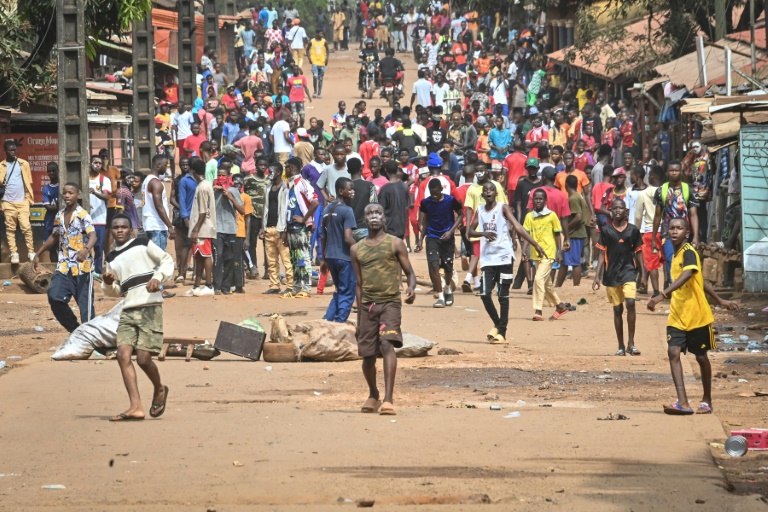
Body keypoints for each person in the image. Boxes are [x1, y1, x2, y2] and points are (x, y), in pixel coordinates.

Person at [647, 217, 738, 415]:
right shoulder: (676, 254)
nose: (674, 231)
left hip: (697, 315)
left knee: (701, 357)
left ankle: (707, 399)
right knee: (673, 353)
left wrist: (662, 294)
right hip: (678, 314)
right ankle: (683, 402)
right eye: (671, 228)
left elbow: (689, 275)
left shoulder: (689, 252)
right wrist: (720, 300)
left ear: (686, 233)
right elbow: (701, 280)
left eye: (679, 228)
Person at [101, 214, 173, 421]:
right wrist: (107, 282)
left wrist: (157, 278)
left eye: (124, 226)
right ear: (111, 231)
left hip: (149, 307)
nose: (120, 230)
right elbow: (115, 291)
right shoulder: (111, 258)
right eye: (116, 227)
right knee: (122, 355)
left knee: (143, 359)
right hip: (128, 309)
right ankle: (136, 406)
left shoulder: (143, 243)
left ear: (131, 229)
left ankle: (159, 388)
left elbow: (167, 260)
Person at [351, 203, 417, 416]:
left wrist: (411, 288)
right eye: (369, 213)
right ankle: (374, 394)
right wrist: (360, 319)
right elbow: (359, 285)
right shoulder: (357, 249)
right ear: (364, 219)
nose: (374, 216)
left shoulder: (396, 243)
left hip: (390, 303)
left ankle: (388, 399)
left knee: (387, 344)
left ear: (384, 218)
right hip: (368, 306)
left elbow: (410, 273)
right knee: (368, 356)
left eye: (378, 213)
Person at [468, 181, 544, 344]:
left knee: (503, 295)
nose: (488, 192)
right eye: (486, 190)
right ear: (483, 195)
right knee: (484, 293)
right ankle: (498, 324)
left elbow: (517, 226)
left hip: (504, 257)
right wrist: (483, 233)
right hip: (488, 259)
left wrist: (534, 244)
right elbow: (469, 232)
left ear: (496, 194)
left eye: (491, 190)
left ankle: (502, 332)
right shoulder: (480, 210)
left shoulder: (502, 207)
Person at [32, 182, 96, 332]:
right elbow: (54, 237)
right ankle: (75, 330)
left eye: (71, 193)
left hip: (82, 268)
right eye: (65, 192)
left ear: (77, 195)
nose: (67, 195)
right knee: (54, 296)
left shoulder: (83, 215)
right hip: (64, 266)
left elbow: (93, 235)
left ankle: (93, 340)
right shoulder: (59, 215)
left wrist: (86, 249)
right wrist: (38, 253)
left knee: (85, 308)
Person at [592, 198, 645, 356]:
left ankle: (631, 343)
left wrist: (643, 274)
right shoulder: (606, 230)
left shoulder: (633, 231)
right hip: (612, 274)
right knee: (617, 309)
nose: (617, 211)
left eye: (620, 208)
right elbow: (602, 254)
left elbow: (639, 252)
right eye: (614, 208)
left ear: (626, 211)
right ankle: (621, 345)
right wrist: (597, 276)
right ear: (611, 211)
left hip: (629, 272)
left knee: (630, 302)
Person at [523, 189, 570, 321]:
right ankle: (560, 306)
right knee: (546, 283)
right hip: (535, 253)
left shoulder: (552, 215)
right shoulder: (529, 217)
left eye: (540, 199)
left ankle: (538, 310)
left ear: (545, 201)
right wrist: (523, 251)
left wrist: (559, 252)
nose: (538, 201)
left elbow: (557, 234)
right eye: (536, 199)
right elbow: (526, 234)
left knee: (538, 279)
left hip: (549, 253)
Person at [416, 178, 463, 308]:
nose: (434, 196)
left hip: (447, 237)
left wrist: (451, 231)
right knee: (434, 265)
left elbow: (460, 214)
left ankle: (448, 287)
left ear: (441, 189)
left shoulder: (450, 200)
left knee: (447, 266)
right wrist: (421, 239)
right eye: (432, 193)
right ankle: (440, 296)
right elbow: (425, 220)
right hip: (432, 236)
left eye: (436, 193)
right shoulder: (426, 203)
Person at [651, 160, 699, 284]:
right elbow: (657, 215)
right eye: (671, 170)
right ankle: (673, 287)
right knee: (670, 259)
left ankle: (680, 287)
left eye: (676, 170)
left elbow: (693, 215)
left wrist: (696, 237)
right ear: (667, 173)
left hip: (685, 234)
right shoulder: (661, 191)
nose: (674, 173)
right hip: (667, 233)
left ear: (681, 172)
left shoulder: (689, 190)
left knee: (684, 261)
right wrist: (653, 238)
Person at [320, 177, 357, 322]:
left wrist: (324, 259)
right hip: (344, 257)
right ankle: (339, 323)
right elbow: (348, 238)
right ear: (341, 191)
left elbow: (323, 236)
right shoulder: (347, 211)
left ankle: (327, 321)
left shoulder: (327, 209)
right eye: (350, 189)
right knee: (347, 292)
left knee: (339, 291)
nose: (353, 192)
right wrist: (360, 250)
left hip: (330, 256)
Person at [284, 157, 319, 297]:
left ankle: (306, 288)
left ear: (291, 168)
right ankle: (297, 287)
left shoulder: (303, 183)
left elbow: (315, 202)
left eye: (286, 167)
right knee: (294, 258)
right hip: (291, 226)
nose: (285, 170)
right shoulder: (289, 185)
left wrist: (304, 219)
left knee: (303, 257)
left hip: (301, 228)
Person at [185, 157, 216, 297]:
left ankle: (209, 285)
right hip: (200, 228)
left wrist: (196, 230)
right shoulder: (203, 185)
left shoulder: (203, 187)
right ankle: (197, 285)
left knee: (206, 255)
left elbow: (203, 212)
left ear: (193, 171)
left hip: (203, 228)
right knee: (198, 257)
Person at [261, 162, 294, 294]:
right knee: (271, 260)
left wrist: (286, 229)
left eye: (271, 171)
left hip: (281, 228)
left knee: (286, 259)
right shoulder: (267, 188)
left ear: (279, 173)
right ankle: (274, 285)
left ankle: (290, 285)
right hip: (269, 227)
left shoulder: (286, 188)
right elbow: (265, 208)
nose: (269, 174)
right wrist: (262, 227)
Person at [212, 164, 244, 295]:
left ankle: (226, 287)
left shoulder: (234, 191)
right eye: (219, 175)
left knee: (229, 258)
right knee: (218, 257)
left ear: (228, 176)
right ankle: (217, 286)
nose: (220, 177)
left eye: (223, 175)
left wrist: (230, 197)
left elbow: (242, 210)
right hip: (217, 228)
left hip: (230, 229)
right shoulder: (213, 191)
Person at [556, 175, 590, 287]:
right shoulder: (579, 196)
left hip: (575, 234)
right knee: (565, 262)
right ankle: (558, 286)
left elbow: (578, 217)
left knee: (574, 262)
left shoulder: (573, 199)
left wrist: (566, 228)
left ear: (565, 185)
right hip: (576, 233)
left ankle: (576, 286)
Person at [634, 166, 664, 296]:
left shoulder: (644, 194)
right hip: (666, 231)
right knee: (667, 260)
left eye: (650, 175)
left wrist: (636, 230)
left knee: (652, 262)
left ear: (653, 177)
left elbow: (638, 216)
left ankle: (656, 291)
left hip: (649, 231)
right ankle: (668, 285)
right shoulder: (666, 191)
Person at [244, 157, 270, 278]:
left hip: (265, 216)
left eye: (265, 165)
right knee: (252, 243)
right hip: (253, 215)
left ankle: (268, 270)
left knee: (267, 243)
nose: (263, 167)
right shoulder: (249, 180)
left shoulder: (269, 180)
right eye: (260, 164)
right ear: (256, 165)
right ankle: (253, 267)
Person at [88, 154, 112, 276]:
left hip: (100, 218)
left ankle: (97, 271)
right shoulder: (84, 178)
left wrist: (95, 192)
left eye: (99, 163)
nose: (97, 165)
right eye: (95, 162)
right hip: (86, 218)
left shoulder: (104, 180)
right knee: (86, 245)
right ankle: (87, 269)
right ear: (90, 163)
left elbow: (106, 196)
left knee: (98, 246)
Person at [232, 174, 253, 293]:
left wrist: (247, 238)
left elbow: (248, 218)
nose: (237, 185)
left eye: (240, 183)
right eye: (235, 182)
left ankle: (239, 285)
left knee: (238, 260)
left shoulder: (246, 197)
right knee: (229, 259)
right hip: (229, 231)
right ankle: (230, 283)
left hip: (240, 232)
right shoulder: (228, 196)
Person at [41, 162, 60, 263]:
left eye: (54, 170)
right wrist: (59, 207)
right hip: (50, 223)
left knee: (63, 249)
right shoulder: (45, 189)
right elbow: (48, 207)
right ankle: (55, 271)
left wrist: (57, 207)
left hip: (62, 222)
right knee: (52, 250)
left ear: (58, 171)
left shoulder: (63, 186)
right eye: (49, 171)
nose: (51, 173)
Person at [307, 29, 330, 98]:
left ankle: (319, 93)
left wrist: (327, 59)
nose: (322, 35)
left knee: (320, 78)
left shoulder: (324, 41)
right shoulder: (312, 41)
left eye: (322, 34)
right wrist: (309, 58)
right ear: (317, 34)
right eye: (320, 34)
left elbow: (328, 50)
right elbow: (307, 49)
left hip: (322, 63)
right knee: (315, 76)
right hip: (315, 62)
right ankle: (315, 91)